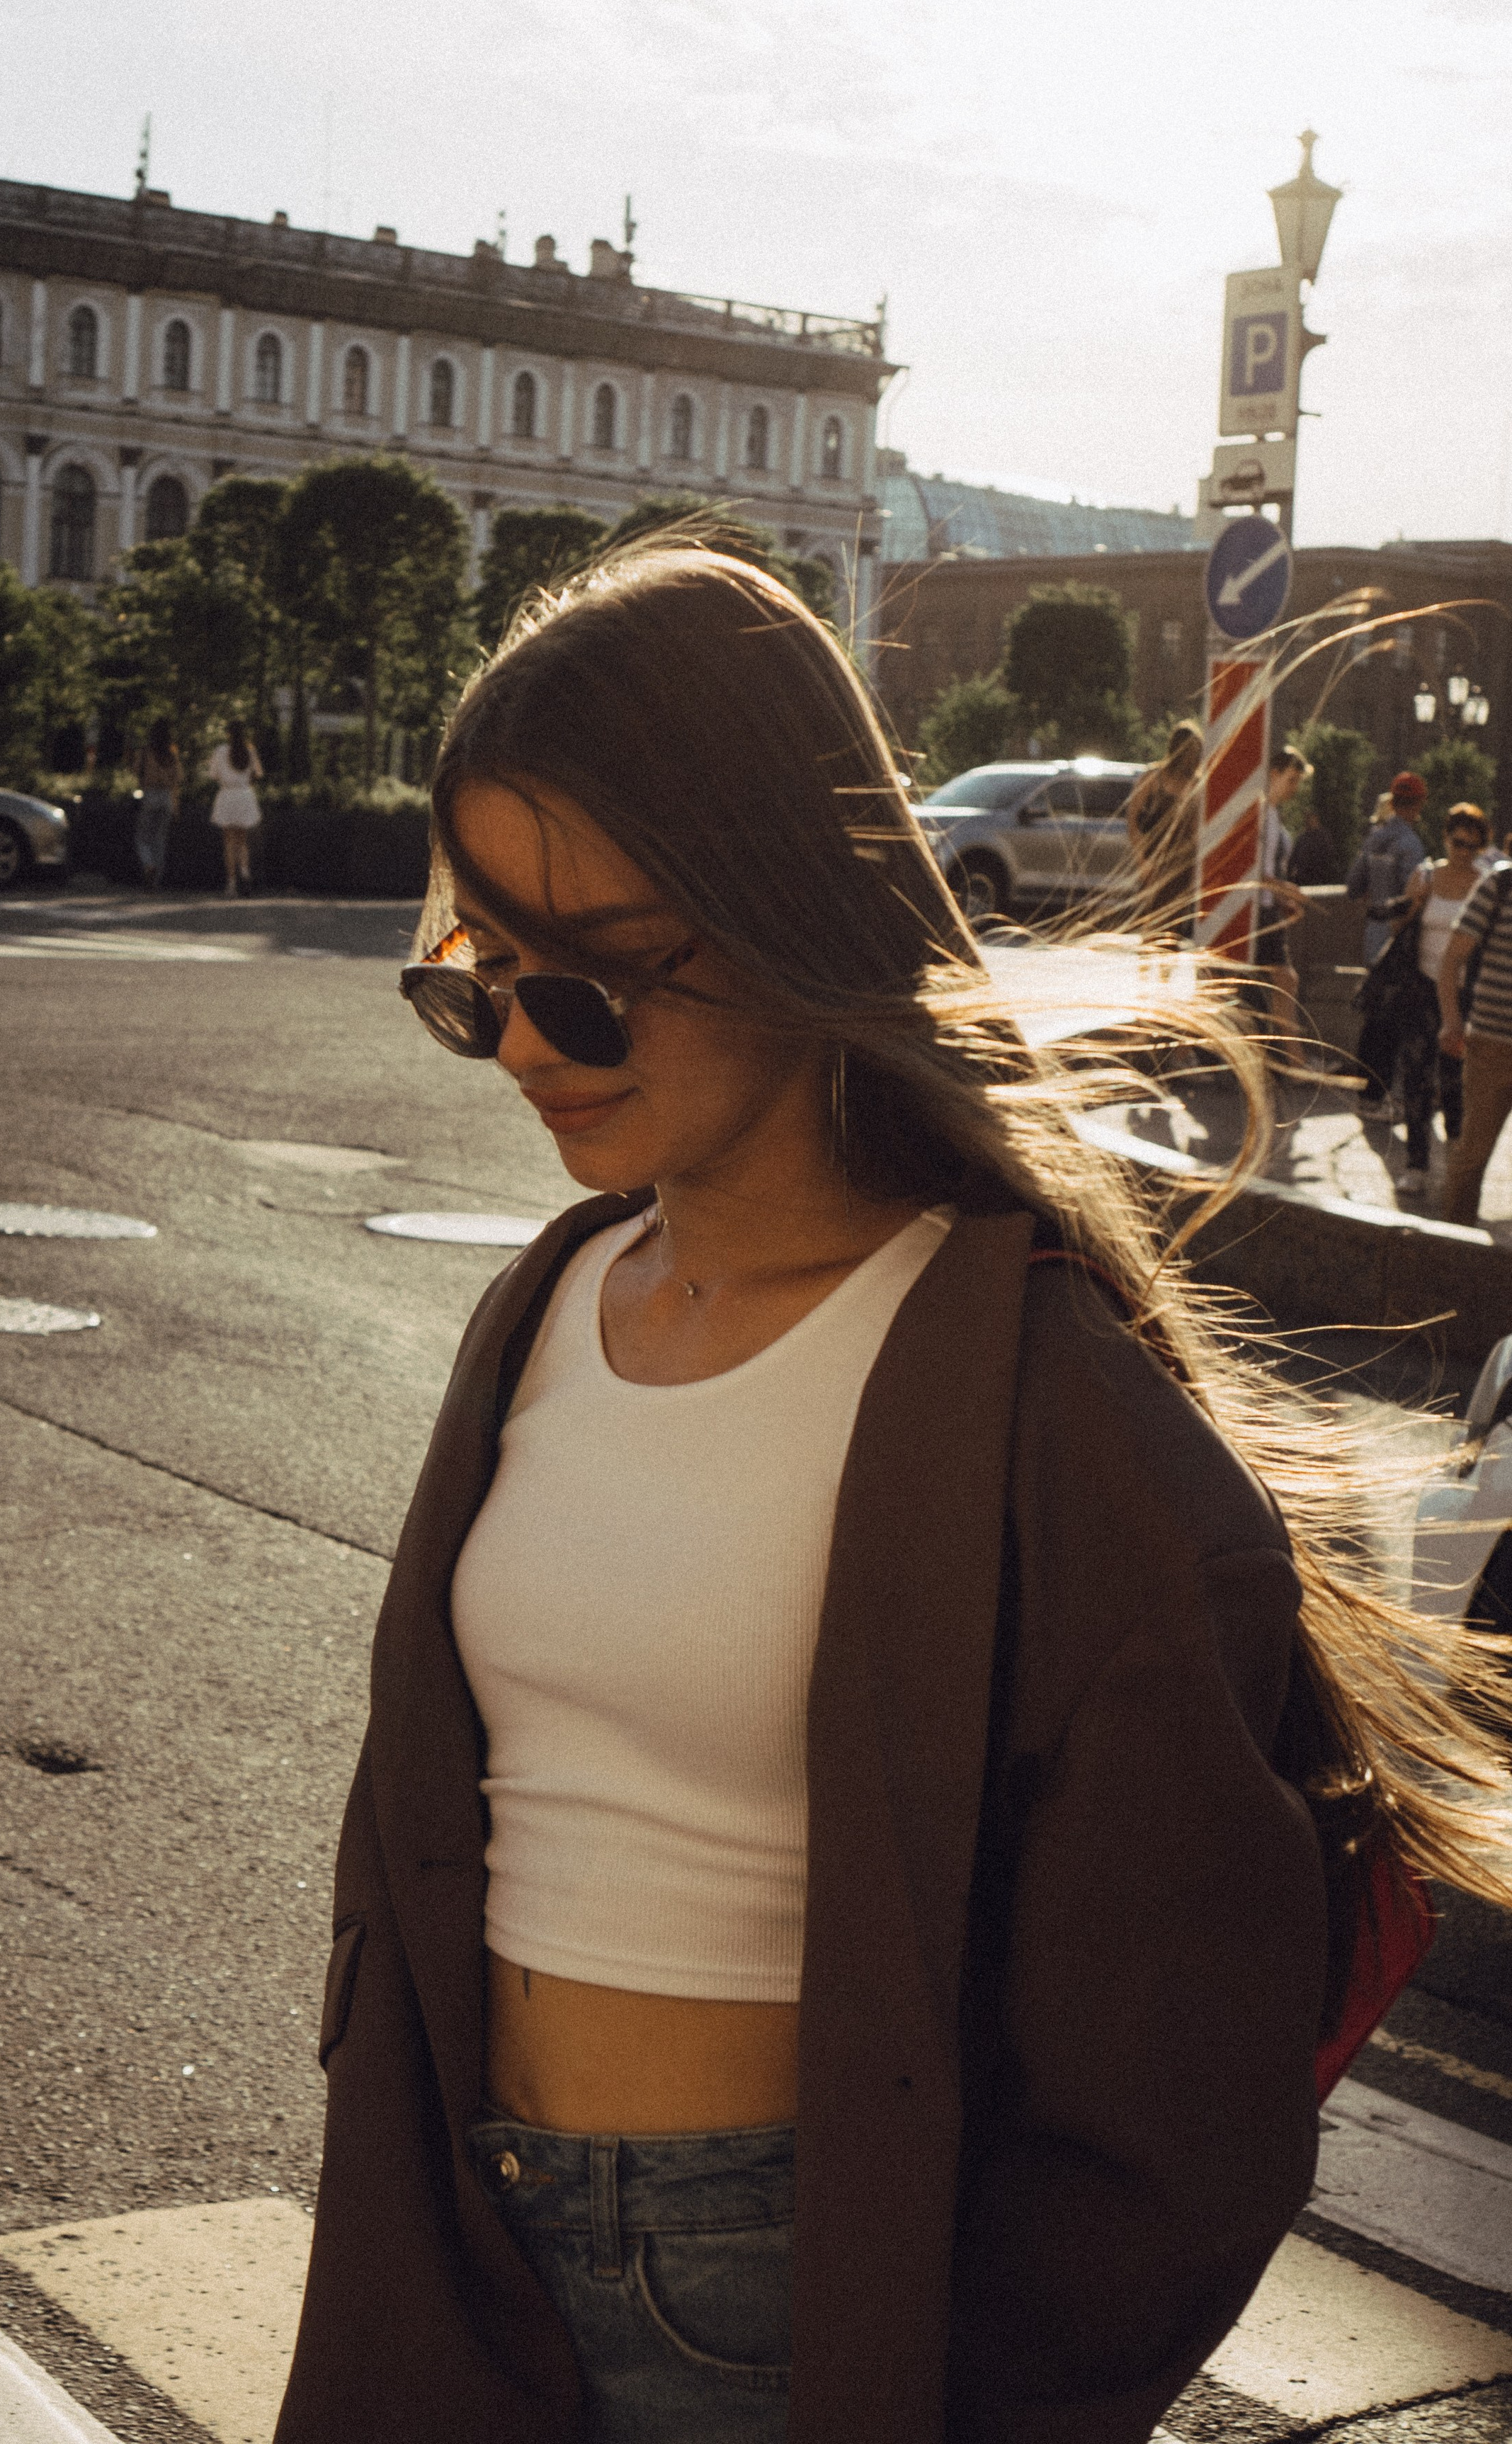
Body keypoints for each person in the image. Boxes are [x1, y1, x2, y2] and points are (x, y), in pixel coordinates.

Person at [274, 543, 1511, 2444]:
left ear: (781, 917)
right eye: (482, 982)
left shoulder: (1046, 1403)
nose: (526, 1046)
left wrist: (977, 2393)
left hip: (796, 2318)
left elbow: (1186, 2085)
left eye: (591, 987)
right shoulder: (543, 1306)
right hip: (456, 2263)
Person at [1389, 804, 1492, 1189]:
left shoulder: (1485, 885)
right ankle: (1416, 1164)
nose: (1463, 851)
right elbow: (1398, 927)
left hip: (1467, 993)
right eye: (1458, 842)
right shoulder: (1426, 875)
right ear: (1446, 838)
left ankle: (1455, 1156)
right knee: (1415, 1076)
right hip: (1421, 987)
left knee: (1454, 1080)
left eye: (1472, 846)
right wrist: (1414, 902)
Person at [1438, 826, 1512, 1224]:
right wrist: (1452, 1021)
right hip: (1492, 1045)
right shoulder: (1498, 887)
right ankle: (1451, 1254)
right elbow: (1451, 961)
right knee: (1474, 1155)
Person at [1123, 719, 1202, 945]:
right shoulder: (1153, 778)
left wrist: (1197, 872)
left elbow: (1197, 831)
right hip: (1154, 864)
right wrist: (1141, 862)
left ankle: (1164, 978)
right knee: (1151, 926)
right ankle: (1147, 975)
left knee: (1174, 933)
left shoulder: (1196, 784)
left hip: (1182, 868)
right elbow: (1132, 821)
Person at [1255, 745, 1311, 1051]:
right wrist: (1285, 891)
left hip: (1265, 908)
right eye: (1292, 780)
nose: (1295, 788)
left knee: (1283, 980)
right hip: (1256, 909)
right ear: (1274, 774)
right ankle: (1292, 1059)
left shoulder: (1272, 813)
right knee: (1285, 980)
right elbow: (1252, 871)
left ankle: (1290, 1058)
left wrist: (1281, 897)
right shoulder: (1263, 812)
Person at [1348, 773, 1428, 969]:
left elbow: (1353, 888)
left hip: (1373, 932)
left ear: (1392, 802)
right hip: (1400, 935)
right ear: (1419, 804)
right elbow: (1413, 899)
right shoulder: (1412, 845)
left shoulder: (1373, 839)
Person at [207, 717, 263, 895]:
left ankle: (231, 883)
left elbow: (214, 775)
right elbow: (258, 773)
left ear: (228, 733)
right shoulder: (250, 750)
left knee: (229, 841)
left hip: (228, 795)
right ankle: (245, 873)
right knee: (242, 840)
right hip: (245, 794)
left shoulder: (221, 750)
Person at [134, 717, 183, 890]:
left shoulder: (146, 751)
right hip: (167, 797)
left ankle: (148, 864)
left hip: (150, 795)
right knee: (160, 840)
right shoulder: (172, 753)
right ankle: (156, 882)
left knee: (143, 837)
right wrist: (175, 805)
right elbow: (177, 780)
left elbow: (137, 772)